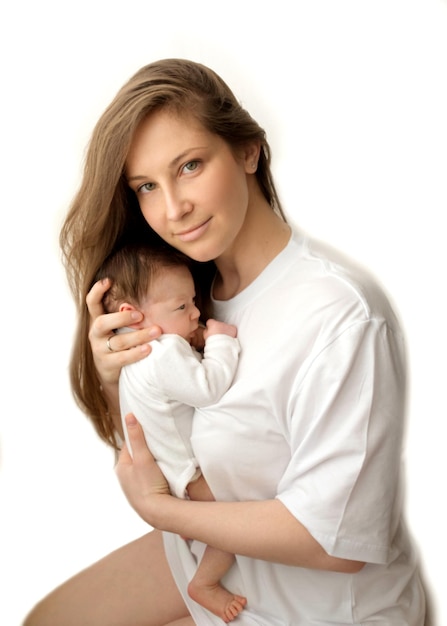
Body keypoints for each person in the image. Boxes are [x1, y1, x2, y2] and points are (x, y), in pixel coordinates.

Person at [24, 58, 427, 625]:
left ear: (247, 151)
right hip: (217, 566)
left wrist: (159, 511)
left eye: (189, 166)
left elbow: (335, 544)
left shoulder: (338, 316)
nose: (172, 209)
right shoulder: (183, 296)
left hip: (312, 610)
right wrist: (119, 377)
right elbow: (161, 440)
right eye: (146, 186)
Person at [96, 243, 246, 621]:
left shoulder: (140, 355)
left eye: (194, 301)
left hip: (167, 469)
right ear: (133, 315)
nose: (196, 312)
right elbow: (208, 387)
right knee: (236, 522)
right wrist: (221, 341)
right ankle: (205, 584)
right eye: (182, 307)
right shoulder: (161, 352)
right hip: (187, 471)